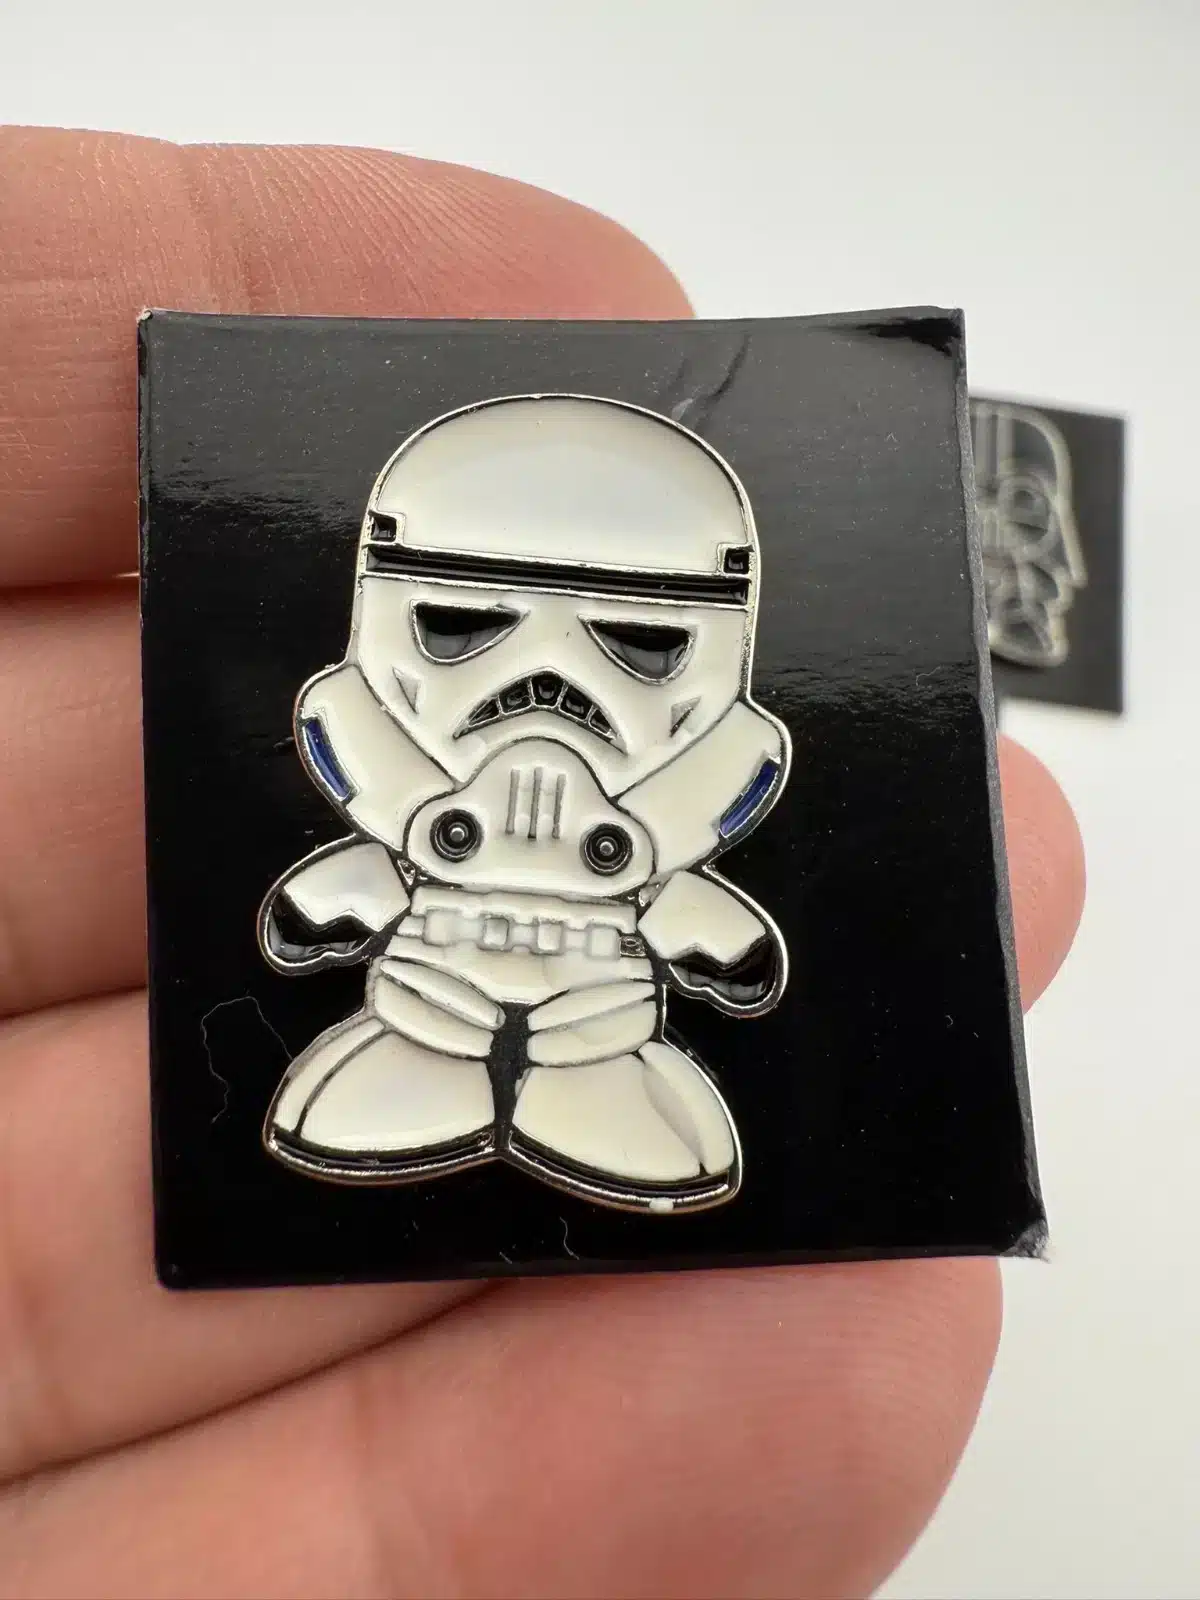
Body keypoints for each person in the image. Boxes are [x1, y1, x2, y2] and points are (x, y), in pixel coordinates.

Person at [0, 126, 1085, 1598]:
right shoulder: (388, 778)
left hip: (607, 1020)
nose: (546, 700)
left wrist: (701, 924)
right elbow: (317, 911)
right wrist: (346, 888)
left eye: (635, 647)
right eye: (465, 629)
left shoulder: (676, 807)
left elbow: (735, 956)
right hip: (414, 1007)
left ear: (726, 664)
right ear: (374, 630)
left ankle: (589, 1092)